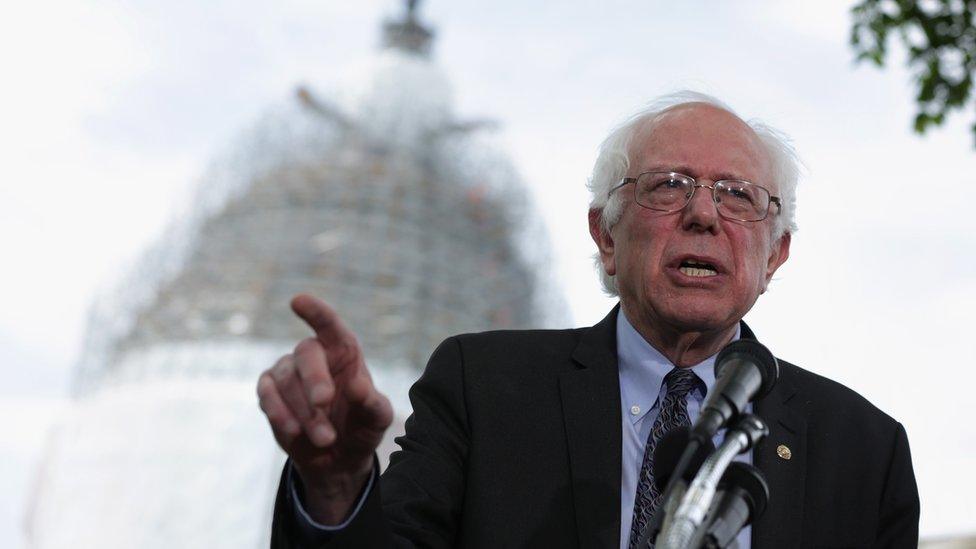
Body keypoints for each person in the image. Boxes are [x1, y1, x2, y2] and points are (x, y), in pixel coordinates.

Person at [256, 92, 920, 548]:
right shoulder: (482, 388)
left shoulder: (863, 450)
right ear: (605, 233)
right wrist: (337, 487)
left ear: (775, 254)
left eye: (738, 195)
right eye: (668, 184)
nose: (703, 214)